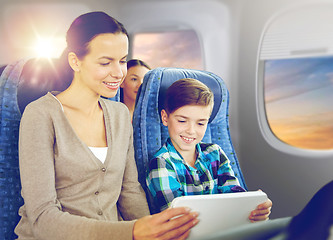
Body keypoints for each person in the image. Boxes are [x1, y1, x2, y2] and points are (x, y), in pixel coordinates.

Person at [15, 11, 198, 240]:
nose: (118, 72)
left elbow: (130, 191)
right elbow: (43, 218)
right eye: (105, 62)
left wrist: (154, 232)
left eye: (122, 60)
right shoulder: (41, 115)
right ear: (75, 61)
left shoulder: (120, 114)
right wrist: (132, 231)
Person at [146, 78, 272, 222]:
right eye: (182, 121)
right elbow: (176, 219)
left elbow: (233, 195)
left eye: (200, 123)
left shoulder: (215, 153)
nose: (191, 131)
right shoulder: (161, 163)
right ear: (165, 118)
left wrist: (253, 208)